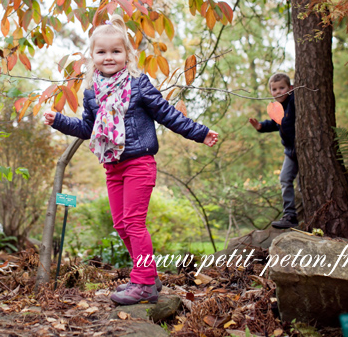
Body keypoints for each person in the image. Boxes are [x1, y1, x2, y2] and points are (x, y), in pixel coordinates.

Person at [44, 15, 218, 305]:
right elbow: (87, 129)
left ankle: (144, 283)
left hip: (139, 163)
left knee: (134, 223)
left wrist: (200, 133)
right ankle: (148, 273)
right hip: (112, 165)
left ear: (127, 54)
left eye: (116, 51)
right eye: (102, 51)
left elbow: (168, 114)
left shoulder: (139, 84)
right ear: (92, 56)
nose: (108, 56)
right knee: (122, 225)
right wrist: (59, 120)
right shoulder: (91, 92)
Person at [248, 72, 299, 229]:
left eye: (282, 88)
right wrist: (261, 126)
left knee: (304, 183)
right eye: (274, 89)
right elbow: (275, 123)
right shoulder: (278, 108)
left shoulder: (293, 101)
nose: (278, 92)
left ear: (290, 88)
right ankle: (290, 215)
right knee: (284, 179)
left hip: (301, 148)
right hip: (290, 152)